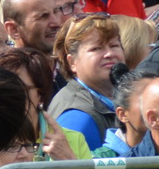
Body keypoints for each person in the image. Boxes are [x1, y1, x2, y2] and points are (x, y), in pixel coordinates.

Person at [48, 14, 125, 148]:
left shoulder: (118, 98)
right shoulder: (77, 118)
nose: (109, 54)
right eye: (96, 48)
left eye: (114, 45)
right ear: (72, 62)